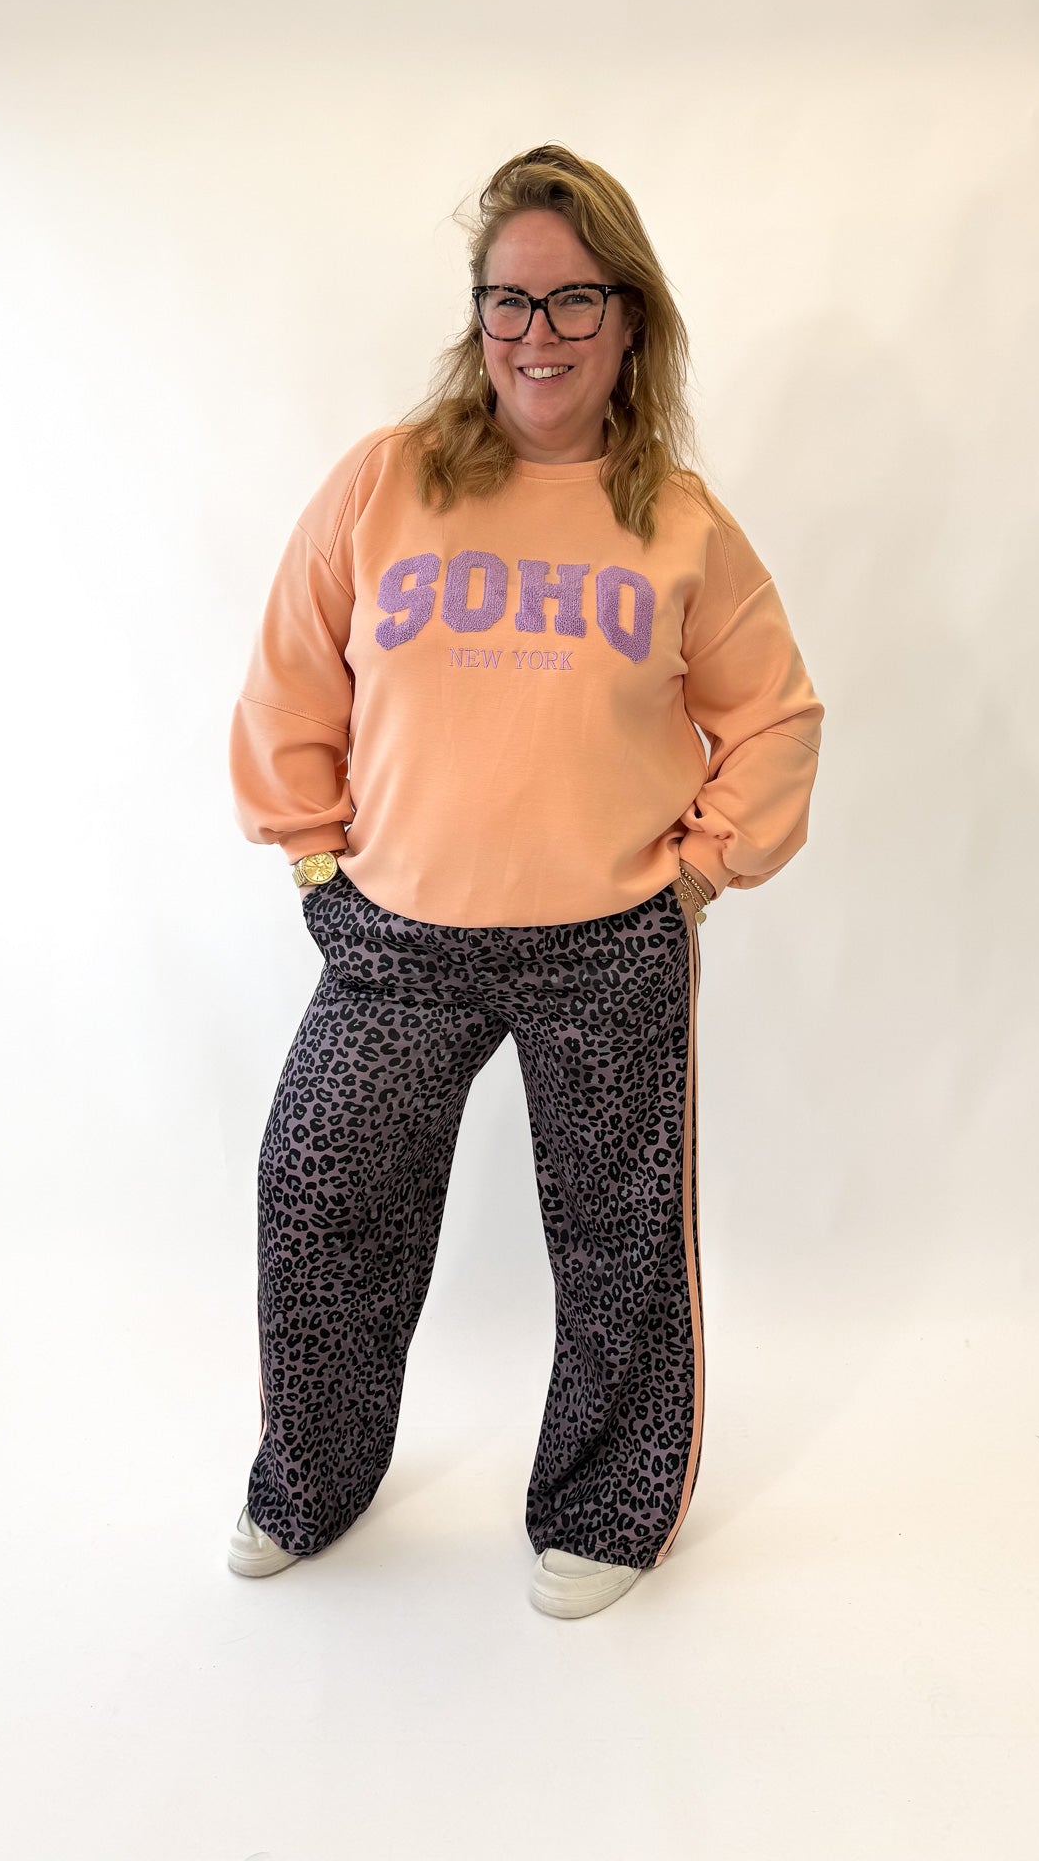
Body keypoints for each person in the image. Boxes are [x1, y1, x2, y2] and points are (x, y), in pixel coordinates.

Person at [225, 143, 824, 1619]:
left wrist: (694, 876)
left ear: (629, 319)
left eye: (572, 302)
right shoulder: (386, 482)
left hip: (607, 943)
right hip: (396, 940)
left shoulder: (677, 519)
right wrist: (315, 858)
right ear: (477, 314)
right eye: (510, 301)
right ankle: (312, 1478)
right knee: (317, 1191)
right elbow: (292, 678)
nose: (537, 335)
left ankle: (609, 1508)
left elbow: (776, 719)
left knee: (621, 1241)